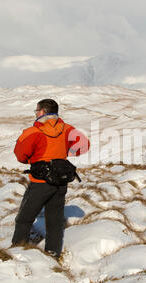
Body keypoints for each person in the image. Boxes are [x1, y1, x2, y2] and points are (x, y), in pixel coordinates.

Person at [11, 99, 90, 258]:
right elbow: (84, 145)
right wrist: (64, 154)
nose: (36, 113)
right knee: (54, 220)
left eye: (36, 111)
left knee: (24, 218)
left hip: (40, 182)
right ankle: (53, 253)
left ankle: (18, 253)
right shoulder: (67, 129)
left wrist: (34, 159)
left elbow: (20, 155)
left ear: (41, 112)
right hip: (60, 182)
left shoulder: (33, 132)